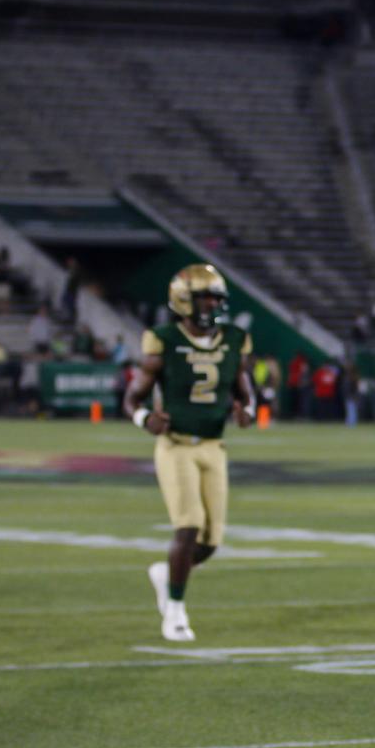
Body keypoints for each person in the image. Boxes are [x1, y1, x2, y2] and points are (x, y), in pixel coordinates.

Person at [123, 264, 255, 642]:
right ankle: (176, 612)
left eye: (216, 297)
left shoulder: (233, 339)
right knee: (189, 524)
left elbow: (245, 390)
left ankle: (166, 575)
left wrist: (249, 409)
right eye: (205, 297)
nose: (212, 304)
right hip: (176, 445)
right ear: (184, 299)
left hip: (214, 447)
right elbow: (132, 397)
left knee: (211, 542)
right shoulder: (164, 340)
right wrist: (144, 417)